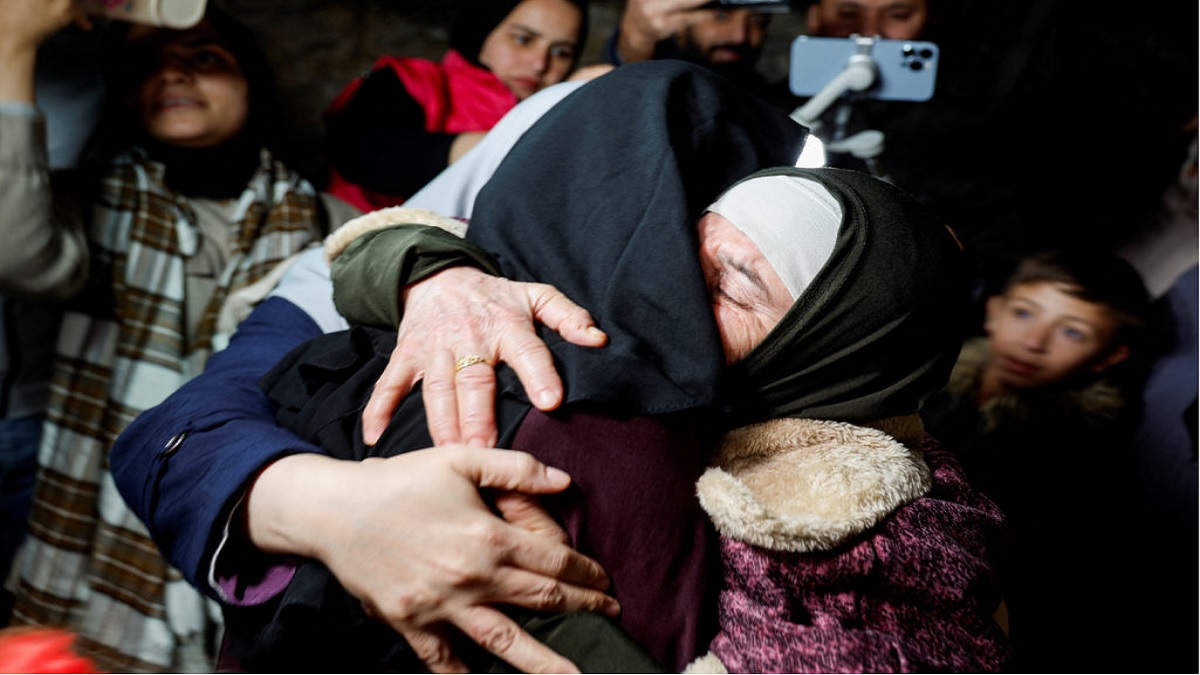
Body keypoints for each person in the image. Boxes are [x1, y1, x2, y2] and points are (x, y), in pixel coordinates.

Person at [112, 61, 1008, 672]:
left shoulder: (875, 510)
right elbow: (167, 436)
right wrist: (343, 514)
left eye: (734, 281)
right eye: (669, 236)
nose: (662, 278)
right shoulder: (440, 283)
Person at [0, 5, 359, 671]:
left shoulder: (328, 226)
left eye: (204, 57)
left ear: (251, 85)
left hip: (251, 522)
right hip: (96, 533)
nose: (173, 73)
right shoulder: (89, 204)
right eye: (148, 64)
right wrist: (12, 45)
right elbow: (18, 254)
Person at [919, 247, 1151, 673]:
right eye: (1024, 313)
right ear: (994, 311)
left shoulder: (1067, 456)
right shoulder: (922, 376)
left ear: (1107, 358)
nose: (1033, 342)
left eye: (1073, 332)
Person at [323, 0, 590, 213]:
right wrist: (500, 147)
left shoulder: (563, 116)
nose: (539, 64)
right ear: (483, 29)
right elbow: (360, 153)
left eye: (561, 52)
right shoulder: (410, 81)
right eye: (523, 39)